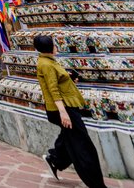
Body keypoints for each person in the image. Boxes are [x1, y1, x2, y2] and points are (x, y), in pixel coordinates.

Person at [34, 34, 107, 188]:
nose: (56, 46)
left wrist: (68, 78)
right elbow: (52, 88)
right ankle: (96, 184)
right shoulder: (46, 64)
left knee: (70, 138)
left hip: (66, 105)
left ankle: (55, 159)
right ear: (49, 47)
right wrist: (63, 112)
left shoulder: (49, 61)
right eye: (53, 44)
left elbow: (56, 82)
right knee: (82, 146)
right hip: (63, 108)